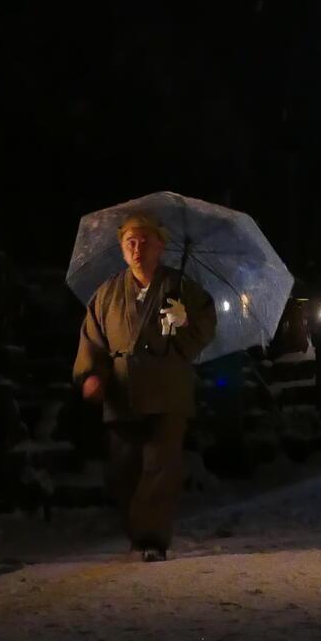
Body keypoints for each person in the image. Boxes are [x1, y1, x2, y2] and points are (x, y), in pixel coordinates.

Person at [72, 213, 217, 561]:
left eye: (145, 242)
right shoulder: (107, 294)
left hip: (167, 390)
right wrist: (91, 375)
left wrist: (183, 323)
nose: (137, 250)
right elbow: (93, 340)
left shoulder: (182, 289)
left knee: (160, 465)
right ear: (122, 249)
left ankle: (152, 539)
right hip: (123, 393)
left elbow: (202, 332)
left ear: (161, 246)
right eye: (130, 243)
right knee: (124, 469)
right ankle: (137, 531)